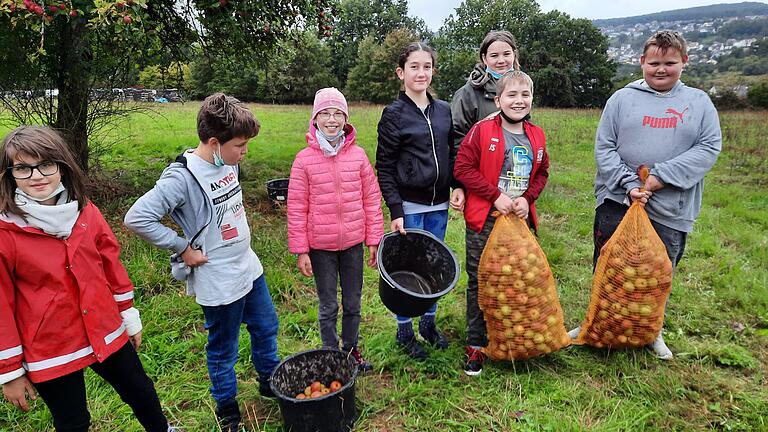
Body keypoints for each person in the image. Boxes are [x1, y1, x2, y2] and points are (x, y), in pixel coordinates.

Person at [0, 126, 173, 431]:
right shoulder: (6, 232)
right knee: (73, 422)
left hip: (104, 327)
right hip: (50, 345)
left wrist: (127, 314)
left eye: (45, 165)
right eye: (23, 168)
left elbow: (110, 264)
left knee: (141, 391)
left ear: (62, 166)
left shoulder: (86, 211)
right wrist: (10, 370)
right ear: (9, 173)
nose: (36, 176)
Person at [124, 93, 280, 431]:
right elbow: (138, 217)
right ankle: (227, 408)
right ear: (213, 142)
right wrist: (182, 247)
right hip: (218, 278)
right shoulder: (181, 178)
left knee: (266, 325)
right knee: (224, 348)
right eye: (240, 145)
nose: (245, 152)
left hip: (248, 267)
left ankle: (271, 383)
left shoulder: (227, 161)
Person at [567, 30, 722, 360]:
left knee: (657, 271)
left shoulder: (698, 103)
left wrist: (659, 179)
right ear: (641, 62)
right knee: (609, 265)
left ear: (684, 62)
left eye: (670, 63)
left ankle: (651, 331)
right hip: (618, 199)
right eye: (654, 63)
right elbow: (605, 147)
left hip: (670, 206)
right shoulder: (622, 99)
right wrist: (629, 183)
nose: (661, 69)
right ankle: (596, 324)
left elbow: (708, 148)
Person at [454, 70, 550, 376]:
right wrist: (494, 195)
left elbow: (542, 172)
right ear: (498, 100)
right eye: (511, 95)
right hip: (486, 221)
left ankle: (511, 336)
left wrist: (527, 199)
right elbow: (463, 168)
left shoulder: (536, 135)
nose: (519, 101)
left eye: (525, 95)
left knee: (516, 281)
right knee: (481, 281)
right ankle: (477, 344)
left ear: (532, 100)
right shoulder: (482, 131)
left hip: (519, 223)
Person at [376, 42, 465, 361]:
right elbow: (384, 166)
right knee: (408, 267)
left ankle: (428, 324)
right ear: (401, 73)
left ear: (432, 70)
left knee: (433, 265)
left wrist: (456, 185)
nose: (421, 72)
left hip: (439, 205)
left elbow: (453, 151)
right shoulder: (394, 114)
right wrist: (395, 209)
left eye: (426, 66)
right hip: (410, 208)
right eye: (414, 66)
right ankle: (404, 330)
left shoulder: (443, 111)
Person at [287, 88, 384, 372]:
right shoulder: (304, 160)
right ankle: (330, 357)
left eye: (338, 113)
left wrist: (374, 239)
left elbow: (371, 198)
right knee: (329, 306)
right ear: (315, 119)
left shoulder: (358, 157)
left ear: (346, 118)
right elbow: (296, 208)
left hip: (353, 244)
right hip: (321, 248)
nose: (332, 119)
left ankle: (351, 351)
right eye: (325, 113)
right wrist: (301, 249)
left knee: (353, 303)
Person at [451, 30, 521, 149]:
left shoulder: (522, 89)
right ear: (484, 58)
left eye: (506, 54)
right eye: (494, 55)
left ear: (514, 54)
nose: (501, 61)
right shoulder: (467, 93)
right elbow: (456, 139)